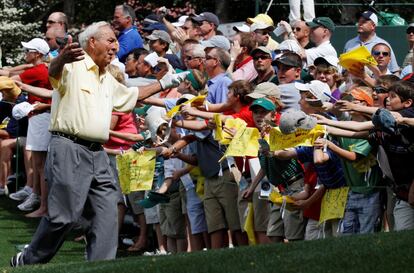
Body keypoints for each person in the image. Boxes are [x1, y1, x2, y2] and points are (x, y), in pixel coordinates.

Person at [10, 21, 188, 266]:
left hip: (98, 153)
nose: (116, 46)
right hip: (68, 147)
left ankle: (100, 267)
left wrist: (165, 83)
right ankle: (29, 260)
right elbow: (53, 75)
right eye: (110, 40)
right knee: (64, 217)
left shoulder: (107, 77)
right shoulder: (72, 65)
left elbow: (130, 97)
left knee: (107, 216)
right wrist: (61, 59)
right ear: (92, 42)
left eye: (116, 41)